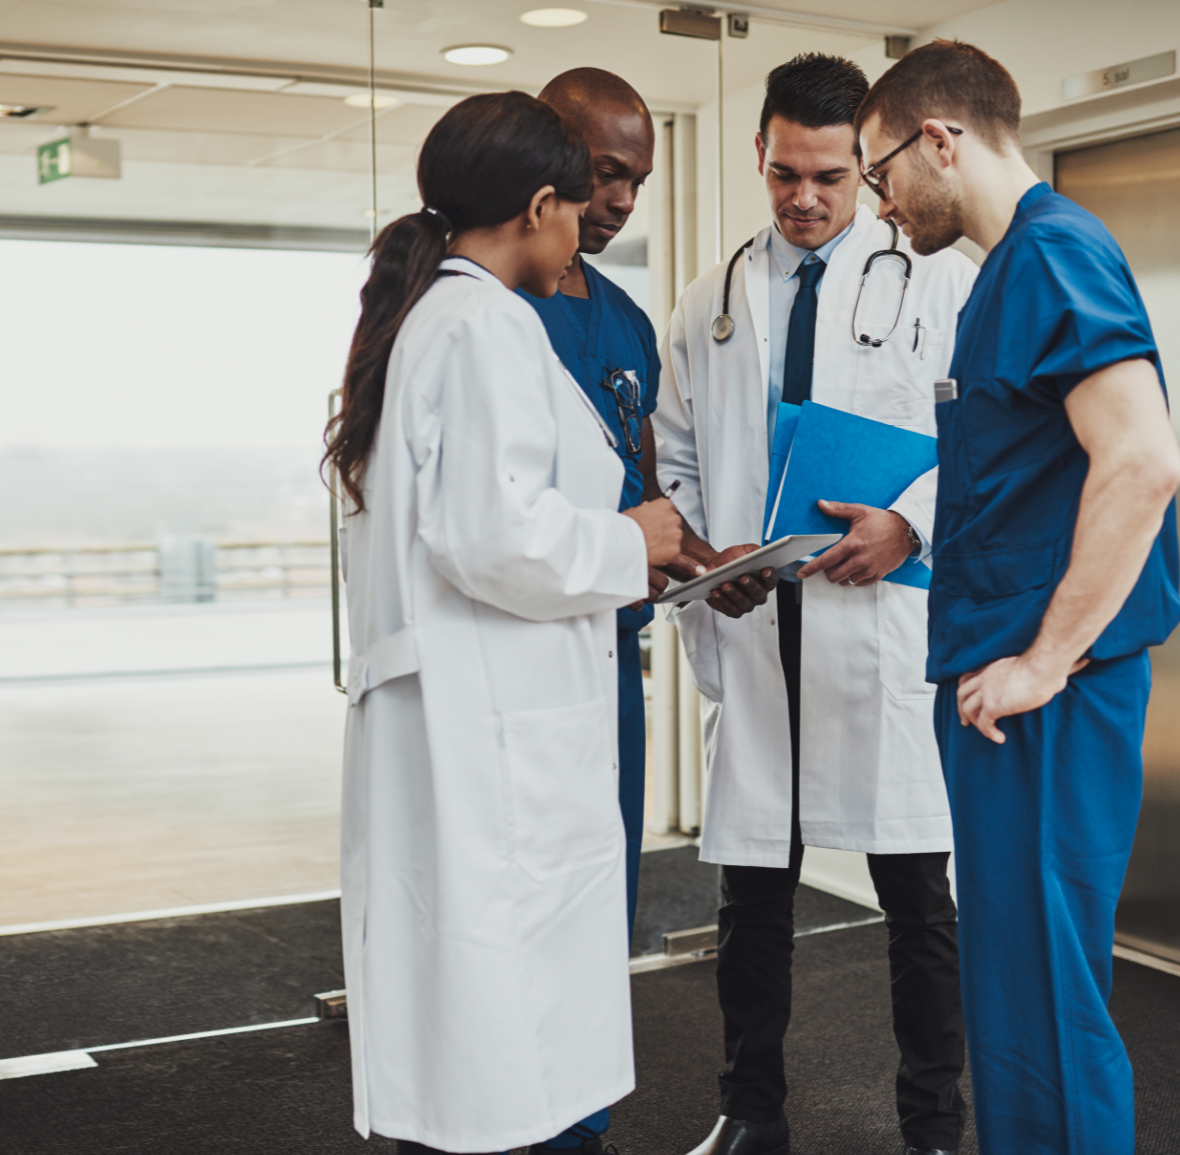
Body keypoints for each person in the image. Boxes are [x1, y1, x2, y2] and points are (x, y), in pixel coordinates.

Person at [326, 91, 685, 1155]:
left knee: (469, 1002)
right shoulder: (483, 324)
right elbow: (495, 539)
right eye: (579, 205)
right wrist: (638, 544)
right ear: (539, 206)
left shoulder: (435, 316)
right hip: (489, 723)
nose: (588, 228)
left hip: (469, 710)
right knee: (499, 1005)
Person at [854, 40, 1180, 1155]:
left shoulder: (1054, 253)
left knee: (1049, 993)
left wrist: (1045, 660)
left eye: (878, 170)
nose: (880, 202)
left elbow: (1142, 461)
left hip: (1048, 695)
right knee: (1013, 988)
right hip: (1005, 697)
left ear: (938, 141)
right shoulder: (1002, 276)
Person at [654, 53, 976, 1155]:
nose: (804, 198)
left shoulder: (935, 273)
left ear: (865, 165)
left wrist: (912, 523)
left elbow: (986, 440)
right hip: (755, 629)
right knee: (752, 904)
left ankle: (934, 1124)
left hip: (876, 627)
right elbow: (675, 454)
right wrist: (706, 551)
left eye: (831, 178)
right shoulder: (713, 298)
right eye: (786, 173)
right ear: (759, 152)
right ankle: (751, 1113)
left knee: (919, 902)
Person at [518, 66, 671, 1154]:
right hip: (514, 664)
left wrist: (713, 559)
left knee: (593, 917)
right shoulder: (477, 304)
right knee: (510, 916)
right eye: (604, 174)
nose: (619, 202)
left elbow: (642, 488)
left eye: (637, 181)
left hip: (609, 659)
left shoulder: (623, 321)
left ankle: (578, 1134)